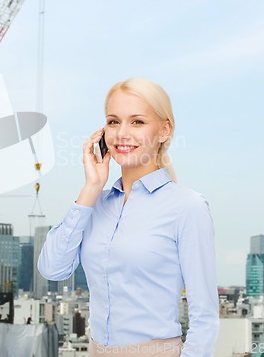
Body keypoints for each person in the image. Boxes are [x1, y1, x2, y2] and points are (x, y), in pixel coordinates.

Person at [37, 78, 219, 356]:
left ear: (164, 130)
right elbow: (52, 268)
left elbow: (205, 316)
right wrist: (91, 187)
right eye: (113, 121)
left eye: (137, 122)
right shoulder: (95, 204)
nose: (122, 133)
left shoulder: (187, 207)